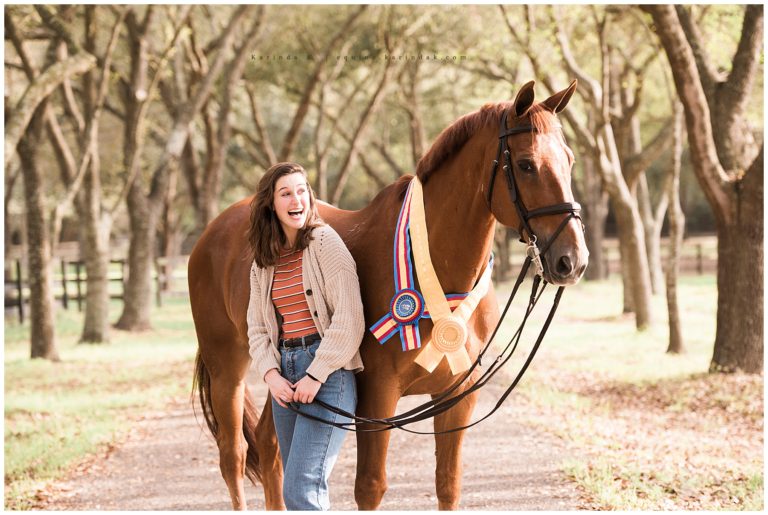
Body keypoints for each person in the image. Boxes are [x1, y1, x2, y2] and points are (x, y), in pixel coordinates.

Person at [246, 162, 364, 510]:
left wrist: (317, 373)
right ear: (271, 203)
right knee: (296, 487)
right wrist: (271, 375)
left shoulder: (326, 242)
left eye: (302, 190)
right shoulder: (263, 261)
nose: (297, 198)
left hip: (328, 376)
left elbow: (349, 318)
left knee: (302, 488)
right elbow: (256, 327)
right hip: (285, 376)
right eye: (286, 193)